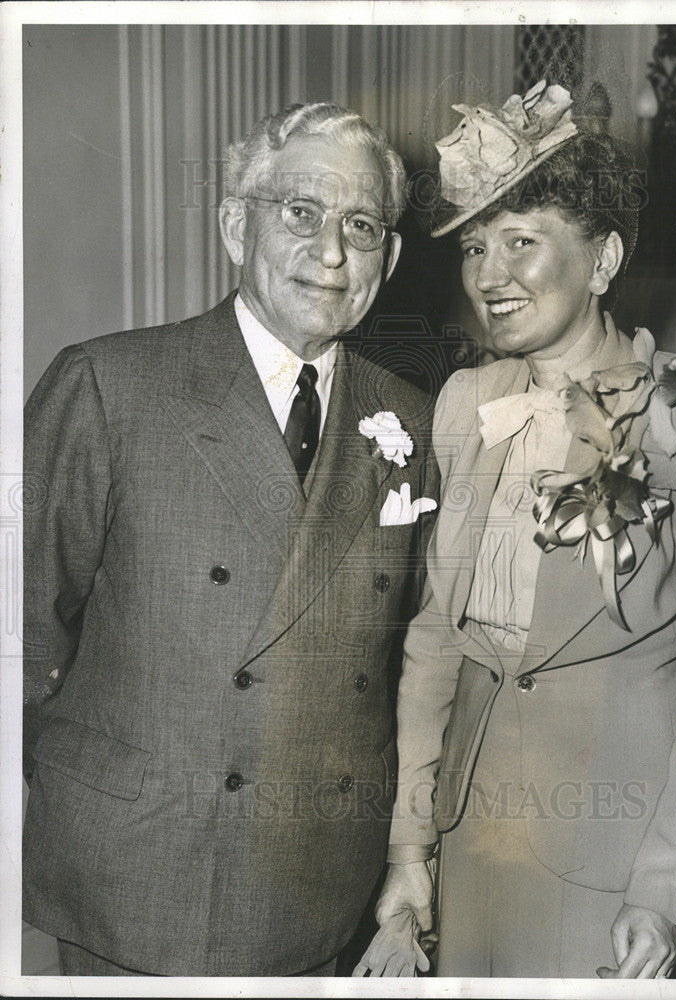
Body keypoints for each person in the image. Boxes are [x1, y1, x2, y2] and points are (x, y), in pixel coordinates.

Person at [357, 81, 676, 979]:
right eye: (474, 246)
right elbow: (435, 646)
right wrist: (409, 851)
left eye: (521, 242)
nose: (487, 276)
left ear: (605, 257)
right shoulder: (466, 405)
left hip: (618, 874)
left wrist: (663, 891)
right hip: (472, 851)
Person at [23, 102, 438, 977]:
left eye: (361, 226)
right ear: (232, 224)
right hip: (140, 882)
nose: (330, 254)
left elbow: (416, 661)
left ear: (390, 259)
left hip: (320, 889)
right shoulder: (109, 385)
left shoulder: (412, 418)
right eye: (300, 213)